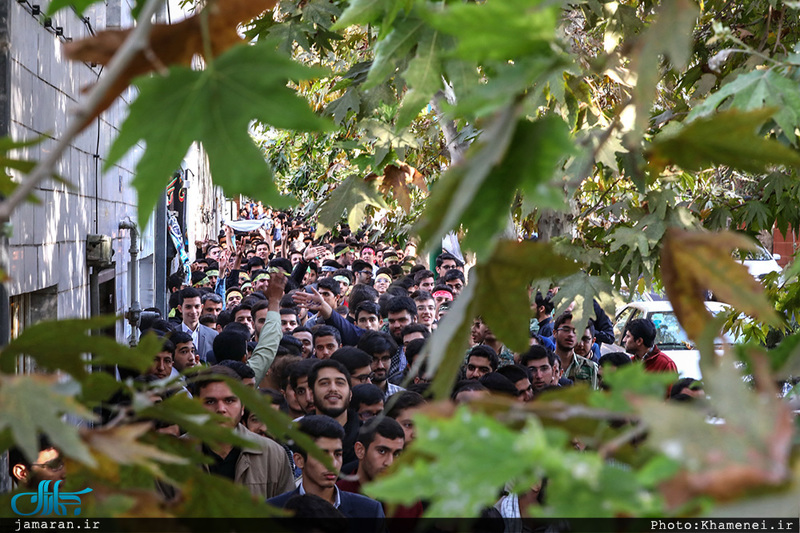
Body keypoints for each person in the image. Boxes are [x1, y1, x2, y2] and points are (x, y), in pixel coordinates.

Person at [188, 365, 295, 498]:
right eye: (210, 402)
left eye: (229, 401)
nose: (221, 409)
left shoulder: (273, 455)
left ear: (242, 407)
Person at [268, 415, 385, 526]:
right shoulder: (273, 511)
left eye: (338, 454)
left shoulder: (369, 511)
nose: (333, 464)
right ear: (299, 460)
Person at [337, 418, 424, 519]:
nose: (389, 462)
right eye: (382, 451)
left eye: (397, 454)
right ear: (360, 450)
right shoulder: (336, 495)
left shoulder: (409, 501)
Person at [309, 360, 361, 465]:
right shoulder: (294, 436)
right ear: (311, 394)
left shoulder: (368, 438)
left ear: (350, 394)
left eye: (340, 383)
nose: (333, 389)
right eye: (324, 383)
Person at [552, 312, 598, 389]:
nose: (571, 334)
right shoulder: (545, 365)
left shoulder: (591, 368)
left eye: (576, 332)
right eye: (566, 329)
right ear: (555, 333)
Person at [357, 331, 404, 400]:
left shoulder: (401, 395)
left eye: (385, 359)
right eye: (374, 359)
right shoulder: (353, 396)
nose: (380, 366)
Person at [179, 287, 218, 363]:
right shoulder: (172, 334)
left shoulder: (213, 335)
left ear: (202, 307)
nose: (193, 311)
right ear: (180, 308)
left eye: (197, 307)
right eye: (188, 307)